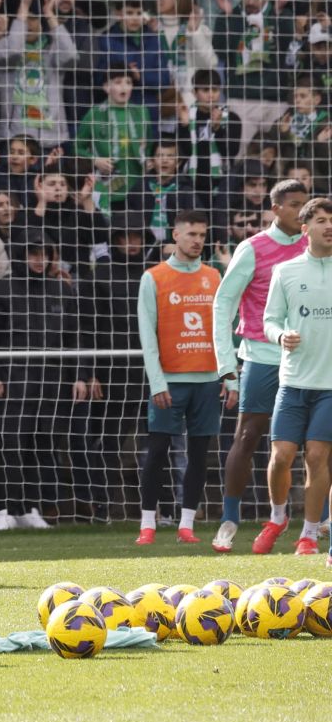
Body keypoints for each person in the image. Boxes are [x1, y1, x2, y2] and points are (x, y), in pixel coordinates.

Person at [210, 179, 309, 552]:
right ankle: (230, 519)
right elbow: (223, 304)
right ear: (274, 209)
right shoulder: (251, 249)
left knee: (316, 443)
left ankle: (315, 521)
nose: (302, 212)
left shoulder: (315, 247)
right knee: (248, 437)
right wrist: (226, 364)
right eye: (294, 205)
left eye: (305, 204)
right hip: (261, 356)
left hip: (308, 359)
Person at [134, 211, 231, 547]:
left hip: (206, 379)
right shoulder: (154, 277)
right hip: (170, 380)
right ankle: (147, 524)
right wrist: (156, 381)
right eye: (191, 234)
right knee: (157, 450)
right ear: (175, 235)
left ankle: (186, 524)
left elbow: (223, 332)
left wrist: (228, 376)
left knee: (200, 452)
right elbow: (147, 335)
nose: (197, 241)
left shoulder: (213, 276)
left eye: (202, 235)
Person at [254, 195, 332, 557]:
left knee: (317, 457)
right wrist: (279, 335)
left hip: (329, 387)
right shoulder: (286, 272)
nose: (329, 226)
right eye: (320, 220)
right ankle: (278, 516)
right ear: (305, 230)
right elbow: (269, 320)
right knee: (281, 456)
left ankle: (310, 534)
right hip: (293, 382)